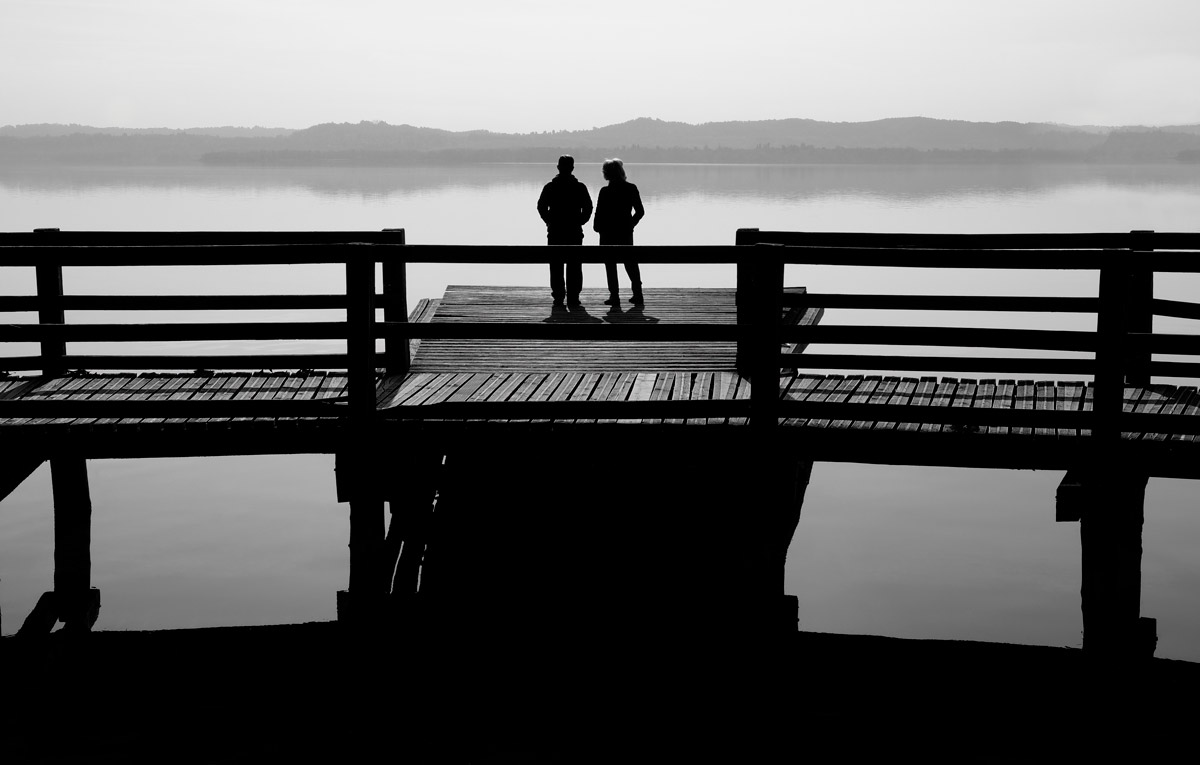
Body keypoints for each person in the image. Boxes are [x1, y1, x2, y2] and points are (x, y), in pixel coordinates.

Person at [537, 155, 593, 306]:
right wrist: (581, 221)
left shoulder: (550, 187)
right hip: (574, 231)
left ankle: (558, 296)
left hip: (555, 231)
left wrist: (549, 221)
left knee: (556, 265)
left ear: (558, 167)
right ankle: (573, 297)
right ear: (572, 168)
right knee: (575, 265)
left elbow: (541, 207)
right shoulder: (580, 187)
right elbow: (588, 207)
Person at [593, 158, 645, 305]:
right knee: (630, 262)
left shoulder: (605, 191)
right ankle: (638, 294)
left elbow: (599, 213)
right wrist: (630, 225)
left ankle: (614, 296)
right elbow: (640, 212)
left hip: (607, 232)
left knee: (610, 264)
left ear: (607, 174)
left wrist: (597, 227)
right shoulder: (631, 188)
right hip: (624, 232)